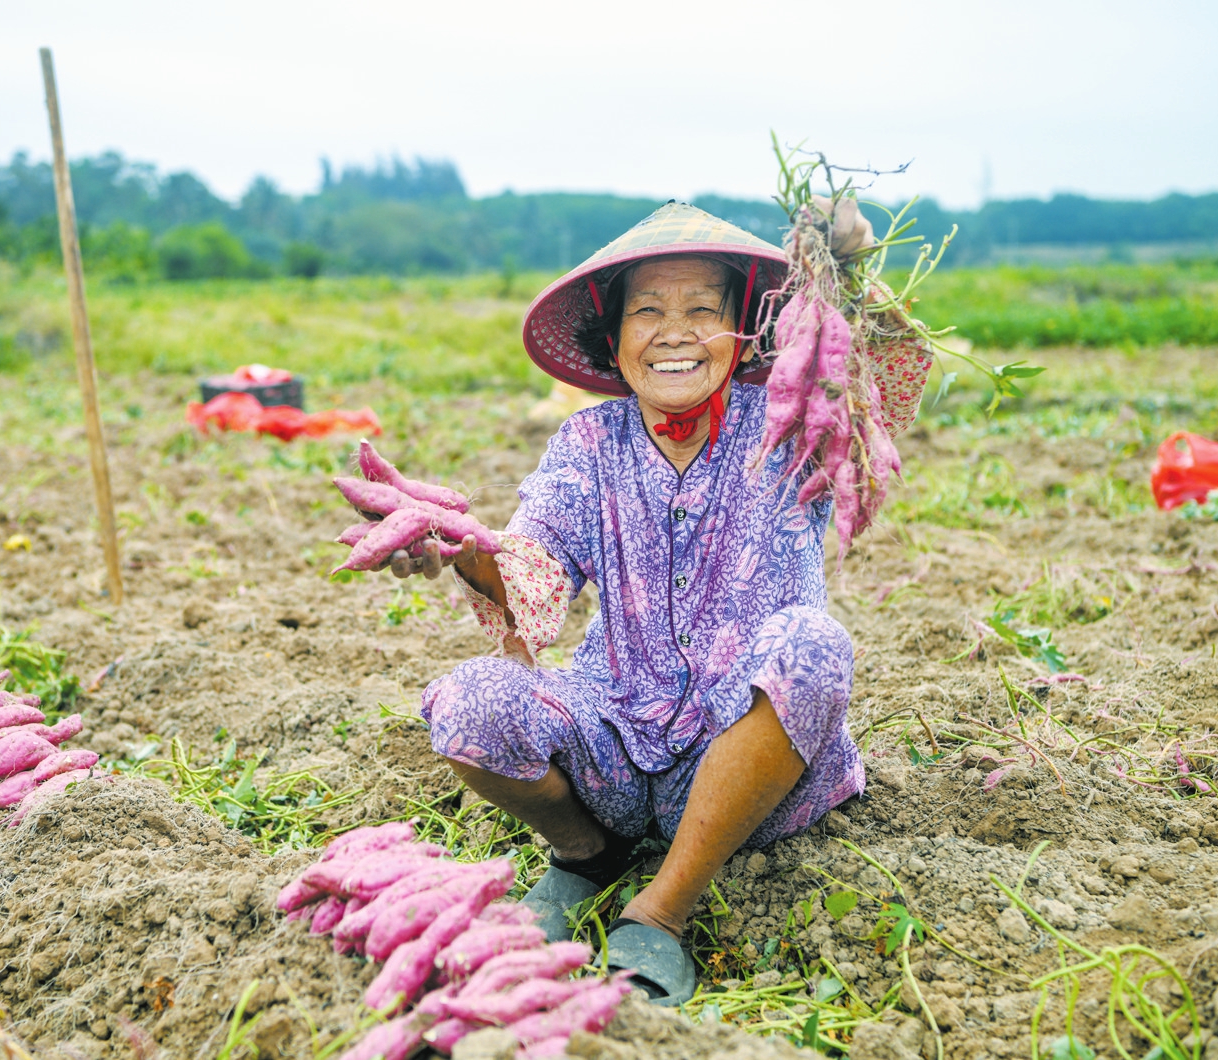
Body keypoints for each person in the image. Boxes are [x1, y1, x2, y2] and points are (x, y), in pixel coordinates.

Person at [377, 201, 933, 1004]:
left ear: (744, 331)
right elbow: (532, 571)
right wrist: (458, 548)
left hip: (754, 764)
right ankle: (586, 854)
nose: (674, 333)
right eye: (648, 312)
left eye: (703, 310)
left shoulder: (793, 425)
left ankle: (663, 910)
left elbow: (886, 374)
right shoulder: (587, 443)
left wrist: (849, 268)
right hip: (614, 744)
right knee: (469, 704)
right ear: (615, 338)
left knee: (812, 645)